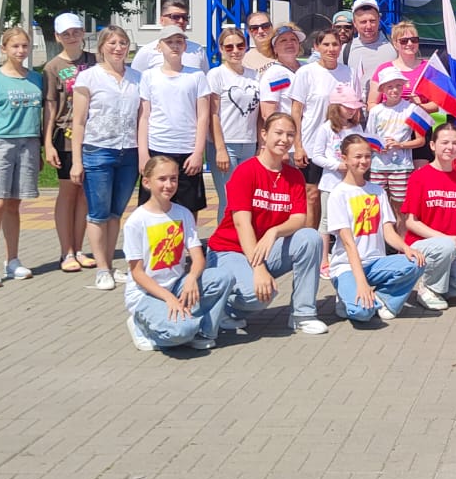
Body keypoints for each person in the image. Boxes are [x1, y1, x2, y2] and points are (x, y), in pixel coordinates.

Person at [206, 112, 327, 335]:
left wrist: (274, 231)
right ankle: (219, 305)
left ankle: (303, 314)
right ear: (264, 134)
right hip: (229, 249)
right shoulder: (246, 171)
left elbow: (299, 219)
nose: (284, 139)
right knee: (259, 295)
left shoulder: (294, 176)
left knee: (309, 238)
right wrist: (259, 268)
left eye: (290, 134)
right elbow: (242, 224)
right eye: (278, 133)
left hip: (264, 245)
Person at [122, 156, 234, 352]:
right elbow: (137, 273)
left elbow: (198, 257)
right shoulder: (136, 221)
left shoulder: (183, 213)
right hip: (147, 294)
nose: (169, 185)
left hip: (177, 284)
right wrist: (168, 298)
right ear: (147, 182)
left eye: (173, 179)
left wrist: (191, 277)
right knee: (181, 332)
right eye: (162, 179)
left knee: (222, 276)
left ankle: (204, 332)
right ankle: (142, 325)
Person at [325, 135, 425, 323]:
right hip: (347, 265)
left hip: (376, 263)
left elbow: (388, 231)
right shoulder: (338, 194)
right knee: (362, 313)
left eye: (367, 156)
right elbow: (348, 243)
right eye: (357, 157)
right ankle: (348, 294)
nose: (363, 161)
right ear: (344, 158)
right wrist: (361, 282)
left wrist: (406, 248)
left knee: (416, 262)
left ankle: (384, 298)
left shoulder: (377, 191)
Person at [70, 26, 141, 291]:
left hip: (129, 152)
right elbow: (78, 122)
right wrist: (77, 160)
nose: (118, 47)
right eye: (112, 43)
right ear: (101, 47)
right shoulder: (88, 78)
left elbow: (142, 117)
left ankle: (110, 264)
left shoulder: (137, 78)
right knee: (98, 213)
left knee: (115, 213)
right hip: (98, 149)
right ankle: (101, 269)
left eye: (122, 42)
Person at [0, 27, 43, 289]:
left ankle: (12, 260)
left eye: (25, 46)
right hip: (1, 144)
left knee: (15, 205)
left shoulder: (35, 78)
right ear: (4, 49)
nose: (20, 51)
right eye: (15, 46)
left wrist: (38, 150)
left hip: (28, 143)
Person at [402, 122, 456, 309]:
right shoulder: (419, 177)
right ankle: (428, 289)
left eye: (455, 143)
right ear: (433, 146)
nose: (450, 147)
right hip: (420, 247)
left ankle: (433, 285)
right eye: (445, 142)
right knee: (446, 246)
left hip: (451, 249)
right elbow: (410, 222)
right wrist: (445, 238)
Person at [43, 12, 97, 273]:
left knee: (85, 195)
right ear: (57, 37)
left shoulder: (94, 61)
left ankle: (79, 247)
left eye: (75, 31)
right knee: (68, 192)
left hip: (93, 135)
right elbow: (51, 107)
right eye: (66, 34)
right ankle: (66, 251)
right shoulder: (52, 67)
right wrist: (48, 143)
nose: (72, 37)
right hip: (65, 137)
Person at [290, 28, 355, 240]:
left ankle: (340, 242)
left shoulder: (349, 72)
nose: (331, 49)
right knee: (312, 195)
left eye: (335, 44)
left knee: (342, 195)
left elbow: (356, 111)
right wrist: (298, 145)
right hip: (311, 145)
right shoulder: (306, 73)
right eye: (325, 44)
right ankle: (311, 241)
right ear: (316, 47)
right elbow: (296, 111)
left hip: (340, 148)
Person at [136, 26, 209, 215]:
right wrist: (143, 153)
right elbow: (144, 116)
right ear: (159, 47)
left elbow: (203, 116)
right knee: (155, 204)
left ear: (185, 46)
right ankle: (157, 244)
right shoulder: (149, 76)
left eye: (179, 42)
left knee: (189, 206)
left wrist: (198, 153)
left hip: (187, 150)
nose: (174, 46)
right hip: (158, 147)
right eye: (169, 42)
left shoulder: (196, 75)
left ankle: (187, 243)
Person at [306, 83, 367, 274]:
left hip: (352, 185)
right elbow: (316, 156)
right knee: (326, 222)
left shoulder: (357, 127)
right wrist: (337, 165)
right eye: (347, 107)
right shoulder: (325, 129)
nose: (351, 111)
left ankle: (352, 256)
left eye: (354, 108)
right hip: (331, 184)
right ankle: (324, 260)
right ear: (335, 107)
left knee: (352, 220)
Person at [207, 26, 260, 223]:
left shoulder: (255, 75)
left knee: (247, 200)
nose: (235, 51)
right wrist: (220, 148)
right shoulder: (216, 75)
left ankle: (244, 242)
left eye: (240, 45)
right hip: (225, 144)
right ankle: (222, 246)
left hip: (249, 143)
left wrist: (260, 145)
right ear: (221, 49)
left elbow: (260, 111)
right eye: (229, 47)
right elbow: (213, 114)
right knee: (230, 200)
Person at [365, 62, 428, 216]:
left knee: (400, 207)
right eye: (390, 87)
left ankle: (400, 237)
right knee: (376, 205)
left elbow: (421, 140)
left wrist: (401, 145)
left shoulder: (412, 109)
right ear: (382, 90)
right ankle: (380, 238)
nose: (394, 90)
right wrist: (378, 147)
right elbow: (368, 139)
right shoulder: (376, 111)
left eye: (398, 86)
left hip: (402, 167)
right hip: (377, 166)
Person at [379, 19, 440, 166]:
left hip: (418, 126)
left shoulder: (429, 68)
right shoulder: (385, 69)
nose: (409, 44)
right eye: (404, 40)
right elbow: (372, 103)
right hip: (391, 127)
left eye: (414, 40)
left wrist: (419, 106)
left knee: (421, 174)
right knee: (391, 173)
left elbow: (437, 105)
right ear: (395, 43)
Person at [130, 0, 209, 72]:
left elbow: (204, 80)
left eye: (185, 17)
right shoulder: (147, 51)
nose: (181, 21)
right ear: (162, 20)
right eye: (175, 17)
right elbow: (136, 81)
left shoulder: (198, 50)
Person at [258, 23, 305, 122]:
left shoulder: (308, 68)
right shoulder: (274, 75)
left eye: (293, 39)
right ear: (274, 48)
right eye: (283, 40)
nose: (289, 43)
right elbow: (268, 114)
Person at [346, 0, 395, 86]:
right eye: (363, 22)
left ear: (379, 20)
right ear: (354, 23)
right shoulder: (345, 50)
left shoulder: (394, 45)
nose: (368, 26)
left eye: (372, 21)